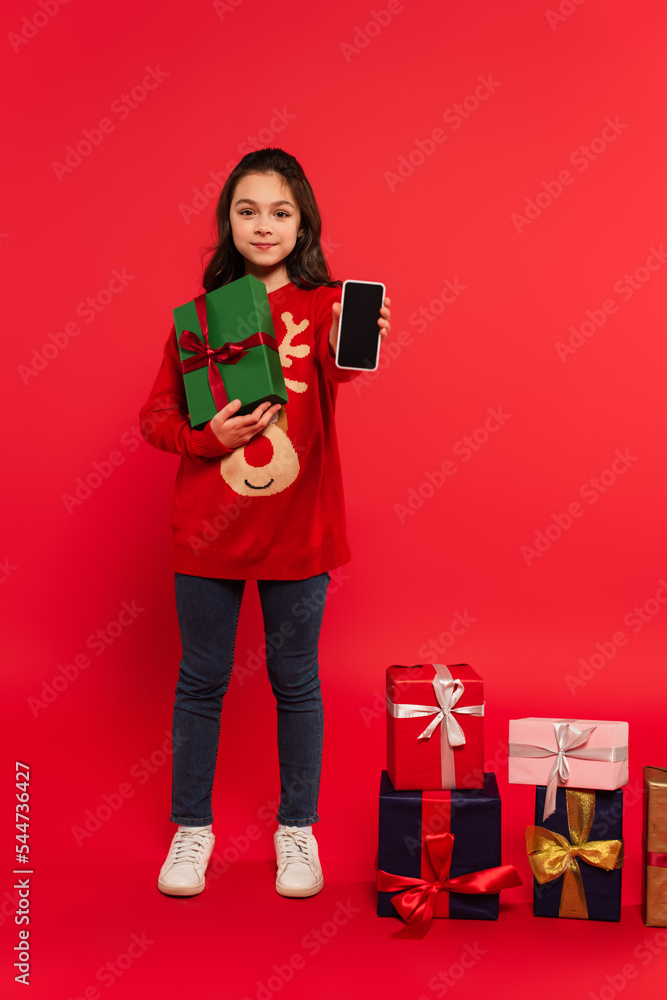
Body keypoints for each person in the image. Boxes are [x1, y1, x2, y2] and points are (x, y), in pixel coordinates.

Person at [139, 148, 391, 899]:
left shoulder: (324, 306)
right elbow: (154, 417)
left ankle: (296, 832)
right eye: (247, 210)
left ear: (303, 222)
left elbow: (346, 367)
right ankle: (193, 832)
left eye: (280, 211)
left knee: (296, 683)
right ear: (228, 222)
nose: (263, 224)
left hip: (297, 531)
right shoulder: (201, 319)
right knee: (201, 682)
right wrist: (204, 438)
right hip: (205, 531)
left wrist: (361, 331)